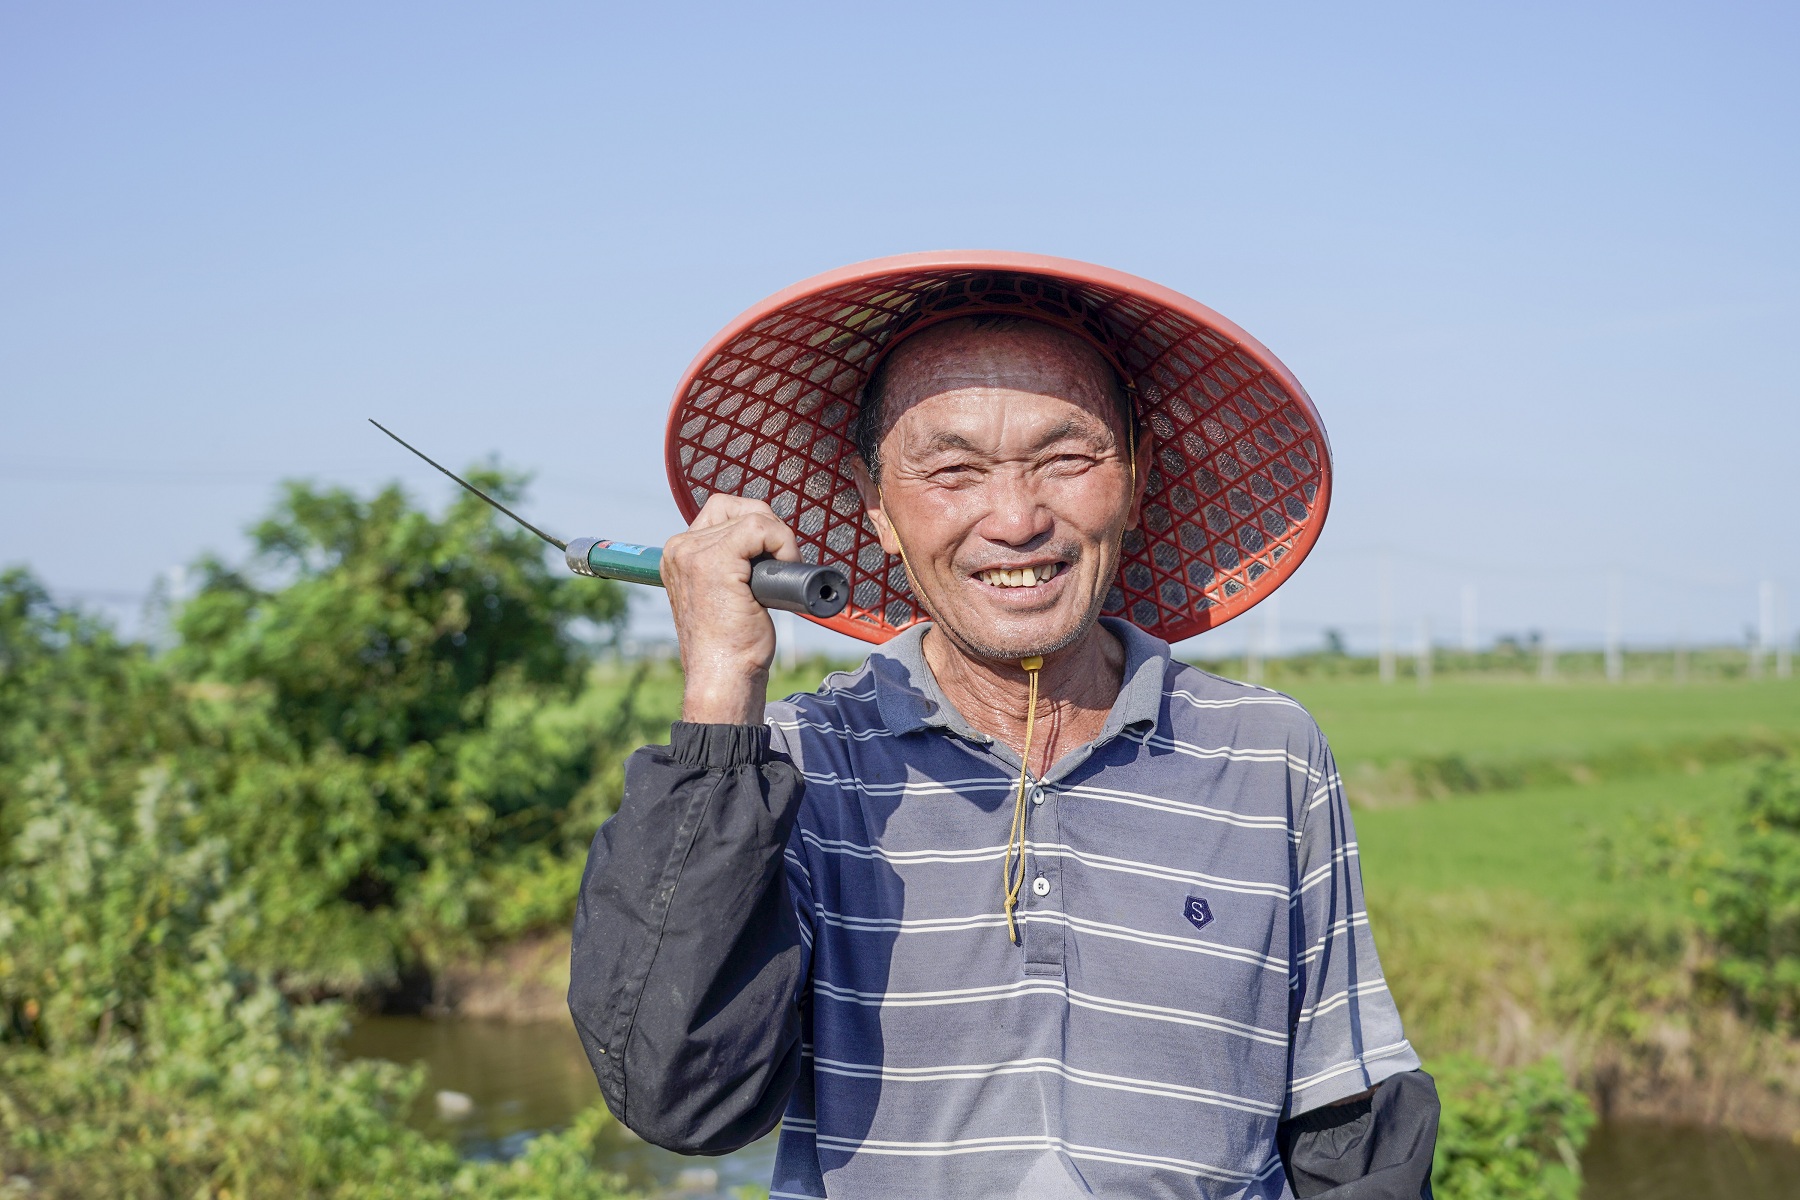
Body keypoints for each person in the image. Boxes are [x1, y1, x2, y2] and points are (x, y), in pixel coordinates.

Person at [569, 254, 1438, 1199]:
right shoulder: (799, 763)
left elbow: (1350, 1125)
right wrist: (723, 680)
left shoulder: (1264, 752)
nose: (1017, 518)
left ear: (1135, 482)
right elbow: (683, 1097)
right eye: (952, 470)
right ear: (879, 514)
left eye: (1067, 459)